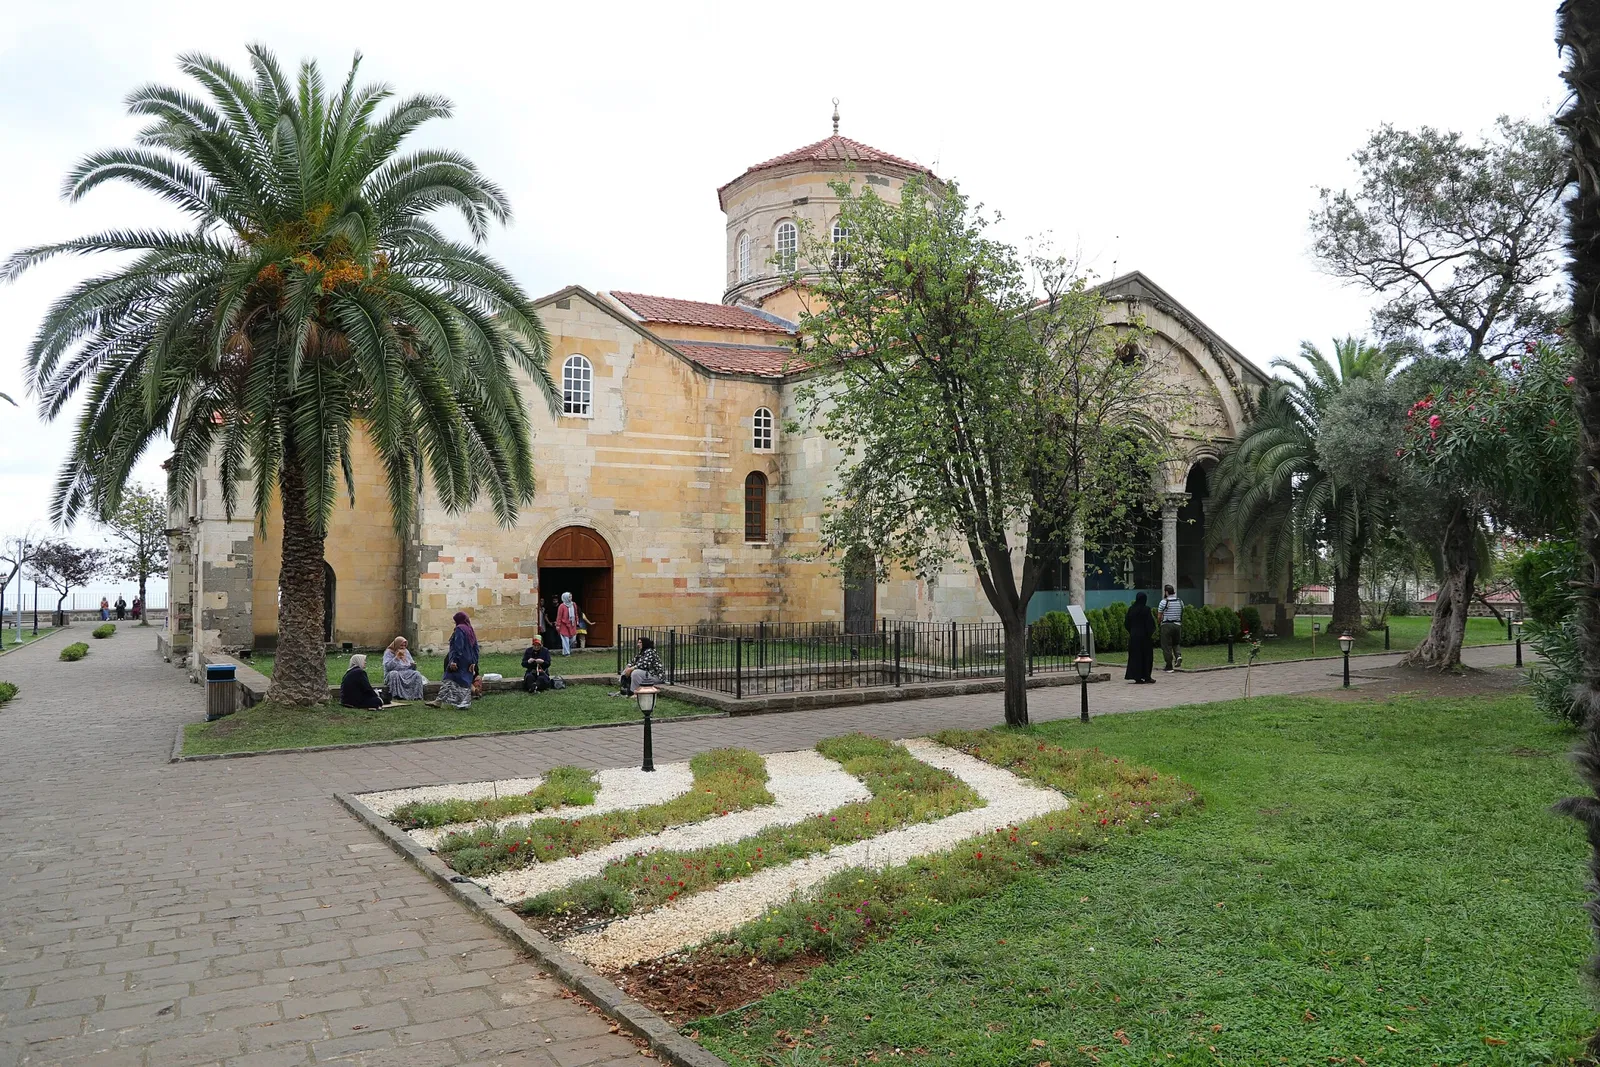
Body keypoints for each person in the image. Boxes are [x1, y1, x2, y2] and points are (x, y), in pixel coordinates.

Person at [429, 612, 479, 709]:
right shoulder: (470, 630)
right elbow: (475, 647)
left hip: (459, 659)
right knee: (464, 681)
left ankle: (439, 701)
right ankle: (463, 703)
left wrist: (454, 661)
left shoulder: (460, 629)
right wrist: (474, 662)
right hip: (468, 660)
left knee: (449, 678)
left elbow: (458, 646)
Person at [382, 636, 428, 701]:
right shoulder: (389, 652)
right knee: (394, 674)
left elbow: (411, 666)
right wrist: (396, 658)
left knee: (417, 674)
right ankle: (397, 695)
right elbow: (388, 667)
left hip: (406, 672)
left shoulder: (406, 651)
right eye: (401, 645)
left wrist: (413, 665)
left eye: (404, 645)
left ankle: (416, 696)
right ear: (397, 644)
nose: (403, 647)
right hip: (394, 672)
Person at [1124, 592, 1156, 684]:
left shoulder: (1131, 609)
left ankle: (1136, 676)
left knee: (1135, 657)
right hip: (1145, 638)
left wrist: (1132, 631)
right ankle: (1147, 676)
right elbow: (1151, 624)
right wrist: (1149, 633)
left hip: (1134, 637)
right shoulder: (1146, 610)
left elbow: (1126, 623)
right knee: (1147, 657)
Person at [1157, 584, 1184, 672]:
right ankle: (1178, 656)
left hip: (1167, 625)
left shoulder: (1164, 602)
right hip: (1177, 624)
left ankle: (1169, 666)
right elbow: (1182, 611)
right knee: (1176, 643)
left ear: (1166, 592)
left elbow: (1159, 616)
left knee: (1166, 646)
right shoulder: (1180, 601)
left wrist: (1159, 623)